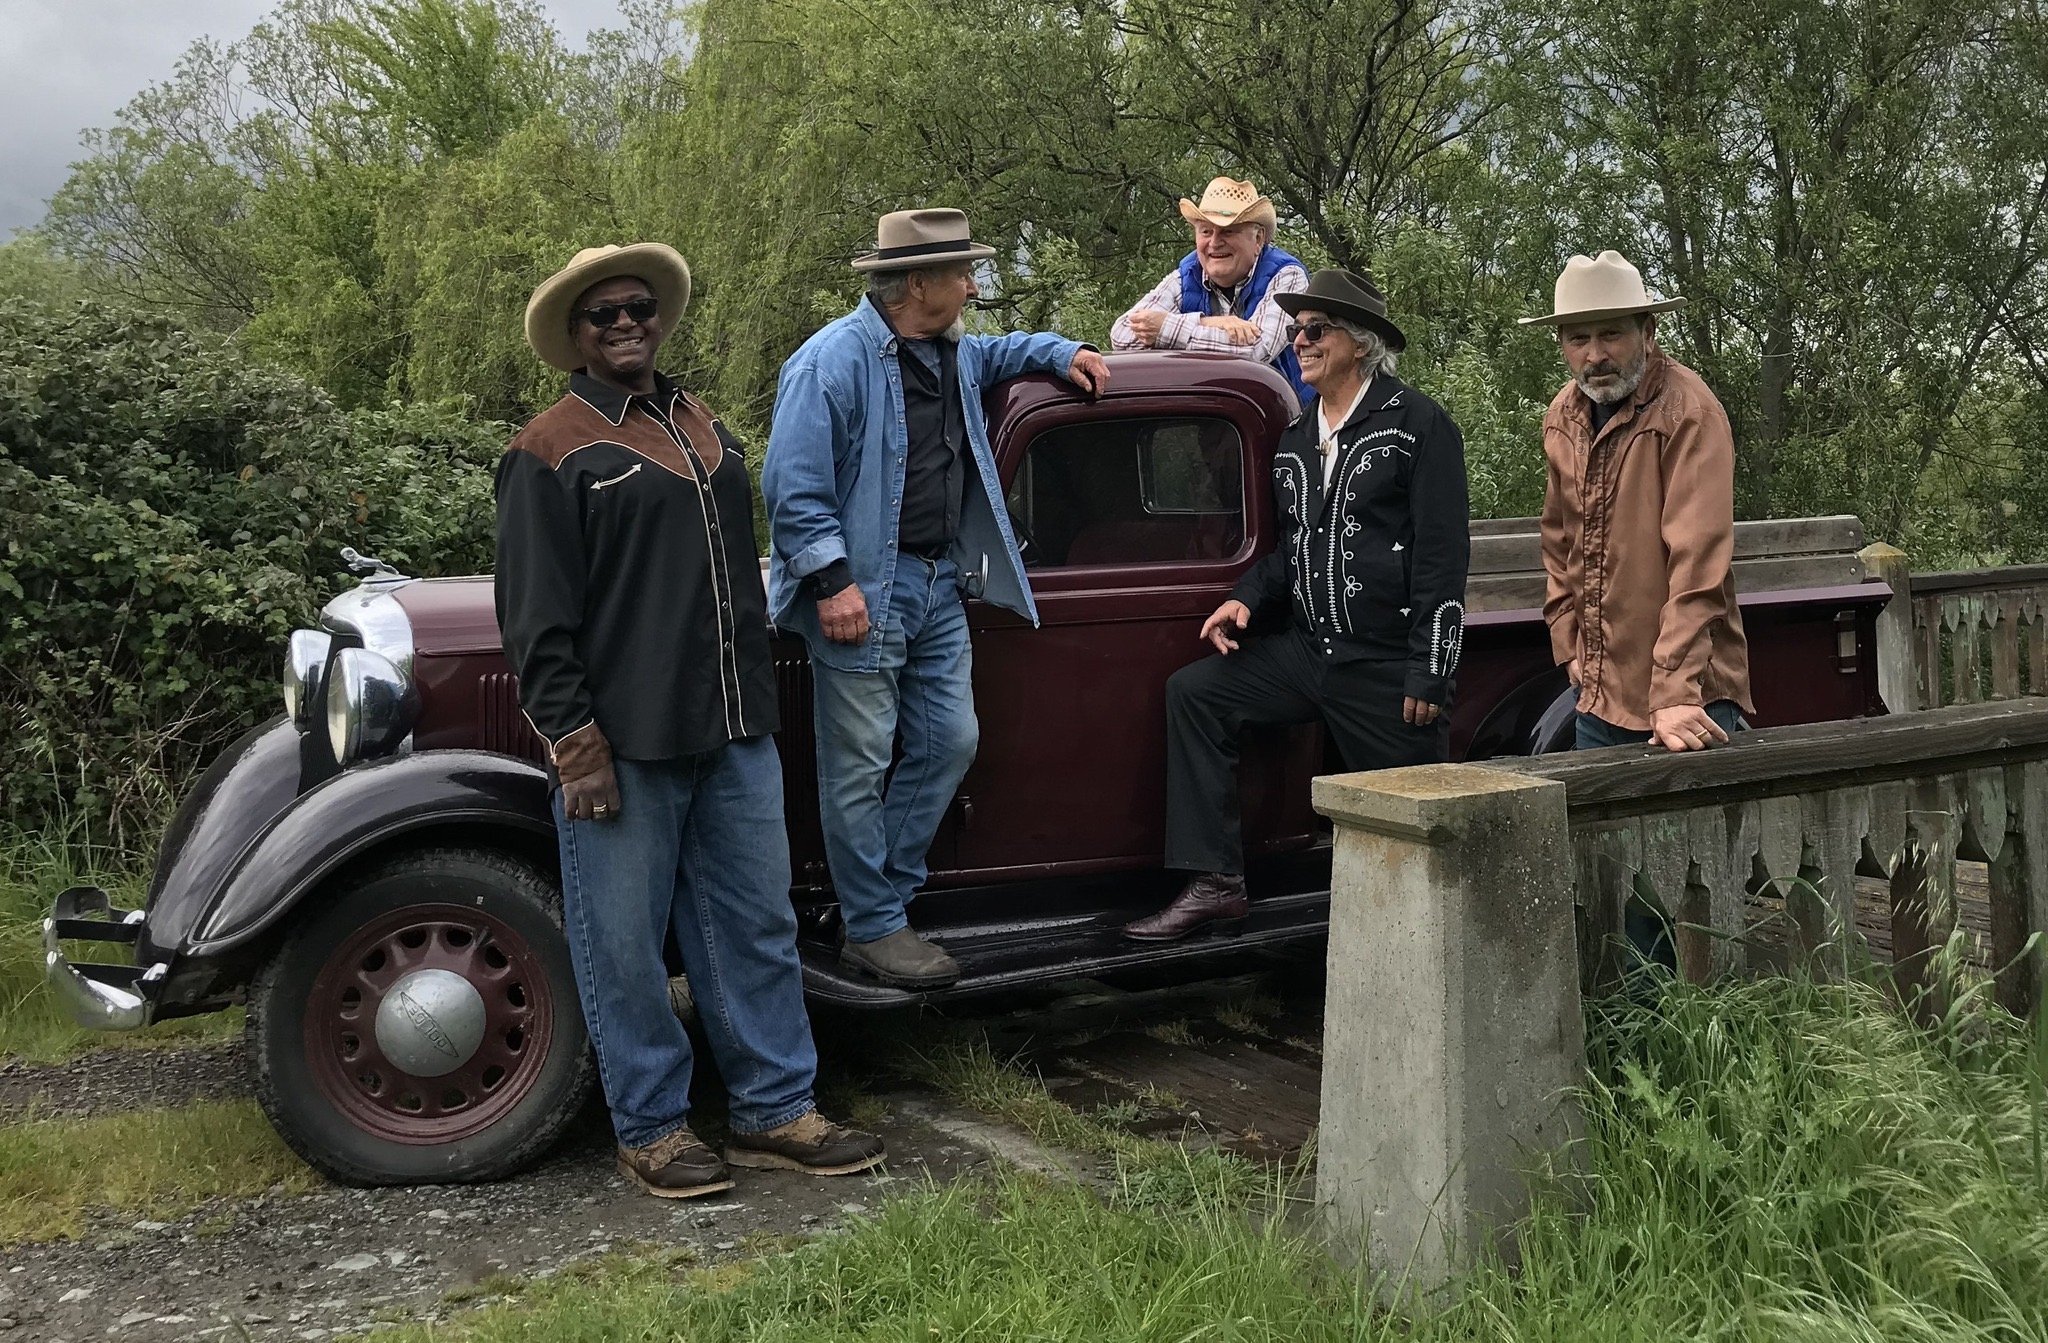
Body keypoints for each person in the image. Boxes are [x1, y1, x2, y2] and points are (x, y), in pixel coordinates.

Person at [495, 243, 883, 1199]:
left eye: (639, 307)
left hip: (736, 727)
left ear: (658, 317)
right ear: (576, 335)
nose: (626, 324)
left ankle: (774, 1109)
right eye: (604, 315)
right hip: (624, 743)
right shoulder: (549, 448)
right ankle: (652, 1128)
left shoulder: (702, 420)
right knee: (623, 946)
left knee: (758, 925)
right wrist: (575, 746)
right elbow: (535, 621)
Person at [762, 209, 1111, 988]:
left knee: (950, 741)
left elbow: (1005, 350)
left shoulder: (951, 350)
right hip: (862, 590)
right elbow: (791, 489)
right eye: (963, 273)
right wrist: (832, 583)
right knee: (857, 765)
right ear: (918, 284)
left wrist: (1065, 351)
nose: (974, 286)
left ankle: (873, 905)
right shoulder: (830, 362)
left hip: (936, 581)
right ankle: (875, 927)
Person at [1125, 268, 1470, 942]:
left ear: (1360, 343)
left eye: (1315, 329)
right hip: (1310, 653)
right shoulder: (1296, 436)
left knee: (1419, 840)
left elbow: (1443, 557)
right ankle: (1215, 881)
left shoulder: (1417, 424)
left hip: (1384, 664)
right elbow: (1293, 550)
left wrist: (1430, 671)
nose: (1299, 341)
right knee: (1195, 693)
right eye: (1296, 330)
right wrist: (1244, 599)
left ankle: (1428, 950)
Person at [1521, 250, 1753, 753]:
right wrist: (1568, 644)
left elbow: (1698, 564)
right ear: (1562, 345)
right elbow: (1558, 542)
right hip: (1597, 695)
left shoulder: (1688, 412)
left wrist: (1674, 689)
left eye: (1611, 334)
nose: (1595, 355)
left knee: (1693, 812)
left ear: (1647, 332)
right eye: (1578, 339)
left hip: (1689, 701)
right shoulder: (1563, 415)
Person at [1110, 176, 1312, 404]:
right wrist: (1210, 322)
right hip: (1214, 415)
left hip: (1283, 414)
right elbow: (1122, 336)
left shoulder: (1287, 275)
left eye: (1228, 232)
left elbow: (1256, 352)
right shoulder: (1187, 274)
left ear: (1258, 239)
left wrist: (1165, 327)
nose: (1215, 243)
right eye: (1206, 232)